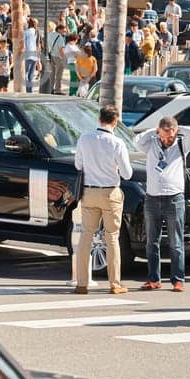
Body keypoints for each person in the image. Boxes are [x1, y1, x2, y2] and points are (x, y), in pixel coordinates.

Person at [73, 105, 133, 295]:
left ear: (99, 119)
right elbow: (127, 173)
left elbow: (78, 164)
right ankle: (114, 284)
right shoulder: (117, 143)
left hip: (89, 191)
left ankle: (82, 283)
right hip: (110, 193)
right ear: (115, 121)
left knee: (86, 236)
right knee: (112, 237)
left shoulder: (84, 138)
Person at [134, 115, 190, 291]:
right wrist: (155, 131)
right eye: (163, 135)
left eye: (169, 136)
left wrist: (176, 129)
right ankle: (154, 279)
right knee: (152, 241)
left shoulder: (182, 145)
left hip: (174, 198)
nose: (166, 139)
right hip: (152, 198)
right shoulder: (152, 144)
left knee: (176, 242)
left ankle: (178, 279)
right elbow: (137, 140)